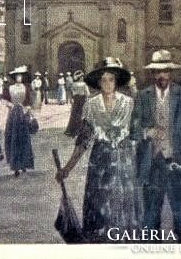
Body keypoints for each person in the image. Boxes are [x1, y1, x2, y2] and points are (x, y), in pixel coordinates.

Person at [55, 57, 142, 242]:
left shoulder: (128, 103)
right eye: (103, 80)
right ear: (98, 82)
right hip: (101, 165)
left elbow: (138, 135)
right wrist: (67, 169)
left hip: (124, 162)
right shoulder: (91, 105)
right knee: (101, 211)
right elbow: (83, 141)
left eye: (111, 79)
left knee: (124, 211)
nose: (108, 83)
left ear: (116, 81)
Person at [131, 50, 181, 242]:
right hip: (152, 168)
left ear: (170, 72)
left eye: (165, 71)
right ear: (153, 73)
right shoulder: (142, 96)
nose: (161, 75)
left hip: (179, 167)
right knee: (151, 224)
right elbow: (133, 128)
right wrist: (146, 132)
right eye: (157, 71)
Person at [4, 66, 36, 176]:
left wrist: (29, 113)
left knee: (24, 139)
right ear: (14, 77)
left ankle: (24, 164)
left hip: (23, 114)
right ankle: (16, 166)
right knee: (13, 138)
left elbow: (28, 102)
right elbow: (6, 100)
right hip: (13, 114)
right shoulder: (10, 88)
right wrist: (11, 106)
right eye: (17, 76)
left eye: (20, 76)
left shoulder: (25, 87)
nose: (19, 78)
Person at [65, 70, 89, 137]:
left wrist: (71, 100)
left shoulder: (73, 84)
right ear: (80, 78)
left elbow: (72, 93)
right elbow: (87, 93)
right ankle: (81, 130)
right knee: (82, 114)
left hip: (76, 100)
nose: (83, 78)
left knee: (74, 115)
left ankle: (73, 130)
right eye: (82, 77)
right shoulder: (84, 84)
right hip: (82, 100)